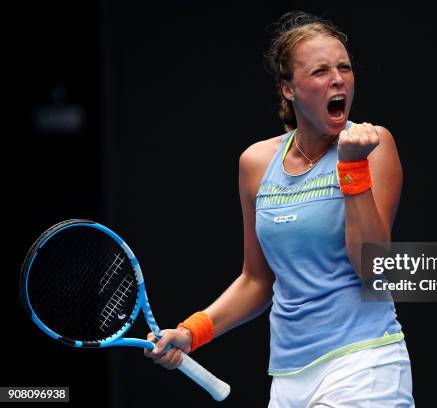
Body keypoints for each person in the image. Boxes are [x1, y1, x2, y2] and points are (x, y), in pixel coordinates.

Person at [144, 11, 414, 407]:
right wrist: (190, 333)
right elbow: (256, 279)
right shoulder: (255, 164)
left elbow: (372, 270)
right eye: (320, 71)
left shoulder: (373, 145)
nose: (337, 79)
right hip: (288, 378)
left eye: (344, 68)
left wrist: (353, 168)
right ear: (288, 89)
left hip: (365, 365)